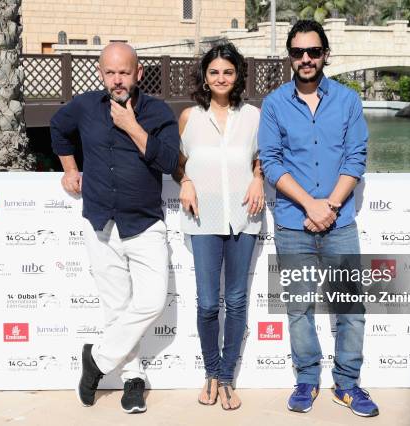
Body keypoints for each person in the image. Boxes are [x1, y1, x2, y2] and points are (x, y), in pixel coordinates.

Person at [258, 20, 379, 417]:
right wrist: (310, 204)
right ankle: (306, 380)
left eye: (312, 51)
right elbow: (272, 163)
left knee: (350, 307)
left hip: (339, 224)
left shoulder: (347, 100)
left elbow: (355, 158)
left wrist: (328, 206)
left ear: (325, 53)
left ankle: (348, 385)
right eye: (297, 52)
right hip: (293, 225)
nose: (305, 59)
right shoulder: (275, 104)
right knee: (298, 308)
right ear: (290, 57)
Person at [50, 42, 180, 414]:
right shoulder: (85, 106)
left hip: (144, 223)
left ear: (138, 73)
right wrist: (70, 169)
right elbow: (58, 129)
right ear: (101, 73)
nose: (117, 79)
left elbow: (171, 161)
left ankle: (97, 360)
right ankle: (132, 381)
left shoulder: (157, 111)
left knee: (151, 301)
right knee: (117, 307)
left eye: (124, 72)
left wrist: (132, 127)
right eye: (110, 72)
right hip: (100, 222)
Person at [172, 43, 264, 410]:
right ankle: (210, 372)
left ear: (238, 75)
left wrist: (259, 177)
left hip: (244, 216)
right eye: (214, 72)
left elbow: (264, 158)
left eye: (228, 71)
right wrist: (185, 180)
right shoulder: (189, 117)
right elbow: (179, 163)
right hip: (203, 220)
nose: (221, 78)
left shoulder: (255, 117)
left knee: (237, 300)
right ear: (205, 77)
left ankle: (227, 378)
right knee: (209, 303)